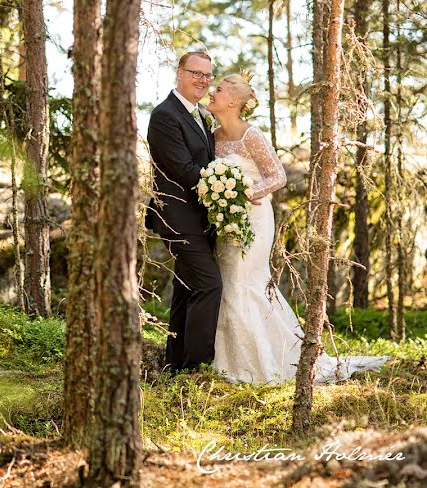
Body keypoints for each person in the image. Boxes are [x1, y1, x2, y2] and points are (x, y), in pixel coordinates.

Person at [206, 73, 389, 384]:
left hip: (254, 218)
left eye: (218, 90)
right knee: (227, 281)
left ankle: (267, 362)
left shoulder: (252, 135)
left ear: (233, 101)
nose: (212, 92)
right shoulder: (211, 135)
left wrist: (243, 192)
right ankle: (227, 360)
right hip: (226, 220)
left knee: (244, 281)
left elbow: (277, 176)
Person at [145, 51, 221, 372]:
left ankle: (175, 364)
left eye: (207, 75)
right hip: (176, 217)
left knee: (186, 289)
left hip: (198, 217)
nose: (202, 80)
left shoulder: (200, 115)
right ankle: (197, 367)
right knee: (209, 285)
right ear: (180, 73)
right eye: (196, 73)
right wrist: (222, 183)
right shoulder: (165, 115)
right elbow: (183, 169)